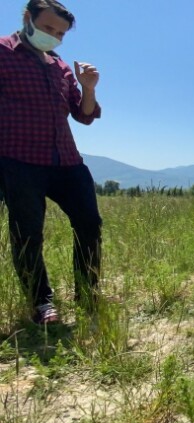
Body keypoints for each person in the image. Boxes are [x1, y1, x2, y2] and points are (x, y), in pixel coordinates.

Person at [0, 0, 103, 325]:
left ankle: (87, 293)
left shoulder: (59, 66)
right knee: (28, 234)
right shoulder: (2, 53)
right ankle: (42, 304)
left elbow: (83, 115)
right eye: (48, 28)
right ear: (27, 19)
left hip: (66, 160)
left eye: (59, 33)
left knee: (89, 224)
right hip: (19, 159)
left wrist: (88, 89)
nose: (54, 36)